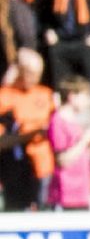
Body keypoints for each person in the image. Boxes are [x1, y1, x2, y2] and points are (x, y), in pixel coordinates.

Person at [0, 49, 56, 209]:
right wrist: (31, 135)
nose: (35, 78)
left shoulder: (45, 94)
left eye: (38, 73)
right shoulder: (5, 97)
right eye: (30, 72)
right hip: (14, 167)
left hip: (44, 167)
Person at [45, 77, 90, 211]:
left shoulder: (74, 122)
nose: (89, 102)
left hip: (81, 191)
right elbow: (63, 160)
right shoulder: (58, 121)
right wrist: (86, 138)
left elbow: (79, 152)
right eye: (86, 96)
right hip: (66, 194)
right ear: (72, 96)